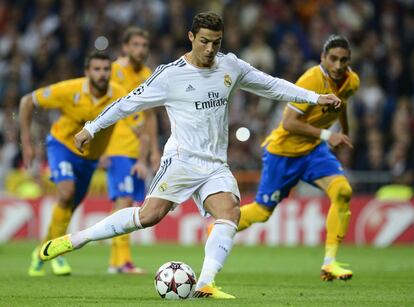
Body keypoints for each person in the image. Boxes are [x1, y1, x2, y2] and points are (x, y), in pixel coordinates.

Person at [38, 12, 340, 298]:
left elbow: (272, 85)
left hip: (215, 165)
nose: (210, 49)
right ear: (191, 37)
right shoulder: (170, 76)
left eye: (216, 42)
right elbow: (126, 103)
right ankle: (78, 239)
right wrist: (91, 128)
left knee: (230, 212)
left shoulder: (230, 67)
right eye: (204, 41)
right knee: (148, 216)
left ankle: (206, 284)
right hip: (181, 161)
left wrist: (315, 98)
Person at [235, 35, 359, 281]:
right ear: (323, 58)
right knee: (261, 212)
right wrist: (328, 134)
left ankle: (329, 263)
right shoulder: (311, 80)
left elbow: (341, 104)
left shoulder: (351, 81)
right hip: (283, 152)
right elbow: (289, 123)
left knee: (343, 192)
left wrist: (344, 131)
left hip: (313, 151)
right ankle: (219, 226)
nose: (337, 65)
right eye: (332, 59)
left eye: (343, 60)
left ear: (349, 61)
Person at [20, 51, 126, 277]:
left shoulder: (119, 94)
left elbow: (139, 120)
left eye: (106, 69)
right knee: (66, 194)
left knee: (68, 208)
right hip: (62, 147)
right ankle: (58, 256)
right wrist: (27, 143)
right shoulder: (70, 90)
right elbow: (27, 101)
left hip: (89, 160)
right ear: (87, 72)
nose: (102, 74)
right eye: (97, 69)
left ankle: (42, 252)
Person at [104, 27, 160, 274]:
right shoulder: (113, 71)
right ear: (125, 47)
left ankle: (117, 262)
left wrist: (154, 151)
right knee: (124, 202)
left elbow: (150, 115)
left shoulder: (148, 74)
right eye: (135, 44)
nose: (141, 50)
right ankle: (122, 261)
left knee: (127, 203)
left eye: (144, 45)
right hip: (116, 146)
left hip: (138, 150)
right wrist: (101, 148)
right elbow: (103, 109)